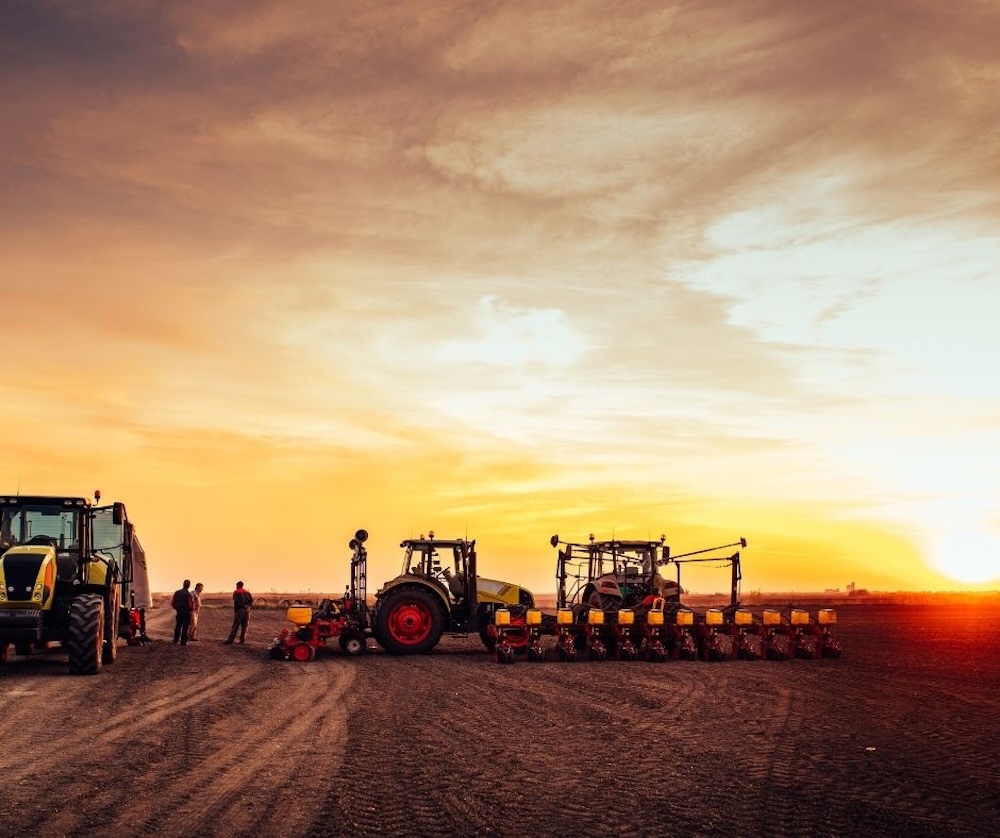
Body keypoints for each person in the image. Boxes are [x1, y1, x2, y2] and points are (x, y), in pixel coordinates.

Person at [171, 579, 194, 645]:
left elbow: (172, 602)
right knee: (185, 627)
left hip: (179, 611)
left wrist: (176, 607)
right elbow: (190, 605)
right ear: (189, 585)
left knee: (178, 626)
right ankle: (183, 642)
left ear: (183, 584)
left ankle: (175, 640)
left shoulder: (177, 592)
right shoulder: (188, 594)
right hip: (186, 612)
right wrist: (191, 610)